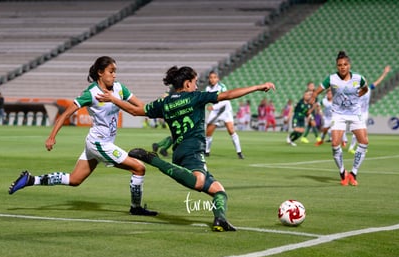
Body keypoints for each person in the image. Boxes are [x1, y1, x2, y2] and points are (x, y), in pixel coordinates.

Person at [96, 65, 276, 231]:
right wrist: (258, 87)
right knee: (198, 182)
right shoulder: (195, 98)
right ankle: (153, 159)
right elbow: (227, 95)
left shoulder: (164, 102)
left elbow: (135, 111)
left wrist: (113, 99)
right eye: (196, 82)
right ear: (188, 83)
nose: (197, 86)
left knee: (219, 191)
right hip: (193, 152)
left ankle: (220, 219)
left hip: (181, 153)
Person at [8, 56, 157, 216]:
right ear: (100, 72)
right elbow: (65, 114)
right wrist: (52, 136)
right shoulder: (91, 93)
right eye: (111, 71)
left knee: (74, 180)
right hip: (99, 144)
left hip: (97, 143)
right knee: (139, 168)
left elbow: (141, 106)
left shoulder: (120, 88)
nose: (114, 75)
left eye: (115, 72)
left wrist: (158, 108)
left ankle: (31, 179)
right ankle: (136, 207)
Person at [309, 51, 369, 186]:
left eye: (345, 64)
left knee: (364, 142)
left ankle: (353, 173)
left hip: (355, 113)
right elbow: (317, 91)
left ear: (349, 65)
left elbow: (365, 89)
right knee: (335, 144)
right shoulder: (331, 79)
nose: (342, 67)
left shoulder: (359, 78)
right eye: (339, 65)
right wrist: (313, 97)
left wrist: (357, 96)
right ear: (337, 67)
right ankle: (343, 172)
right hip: (338, 114)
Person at [348, 65, 391, 154]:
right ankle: (351, 148)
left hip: (365, 113)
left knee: (363, 130)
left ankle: (360, 147)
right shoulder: (356, 91)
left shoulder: (369, 89)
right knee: (358, 130)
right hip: (358, 113)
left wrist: (385, 73)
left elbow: (378, 82)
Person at [204, 71, 244, 159]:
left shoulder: (221, 87)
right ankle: (206, 152)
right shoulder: (208, 88)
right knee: (208, 132)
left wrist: (213, 107)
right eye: (211, 77)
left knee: (231, 130)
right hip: (215, 112)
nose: (212, 79)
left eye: (214, 77)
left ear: (218, 78)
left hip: (225, 111)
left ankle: (239, 152)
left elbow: (226, 100)